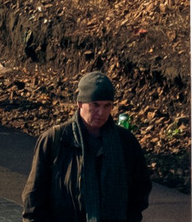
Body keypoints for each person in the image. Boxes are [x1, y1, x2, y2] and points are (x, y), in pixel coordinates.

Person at [20, 71, 151, 222]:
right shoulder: (55, 139)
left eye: (107, 106)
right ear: (80, 103)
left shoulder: (125, 142)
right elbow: (34, 197)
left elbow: (140, 189)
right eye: (95, 105)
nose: (101, 112)